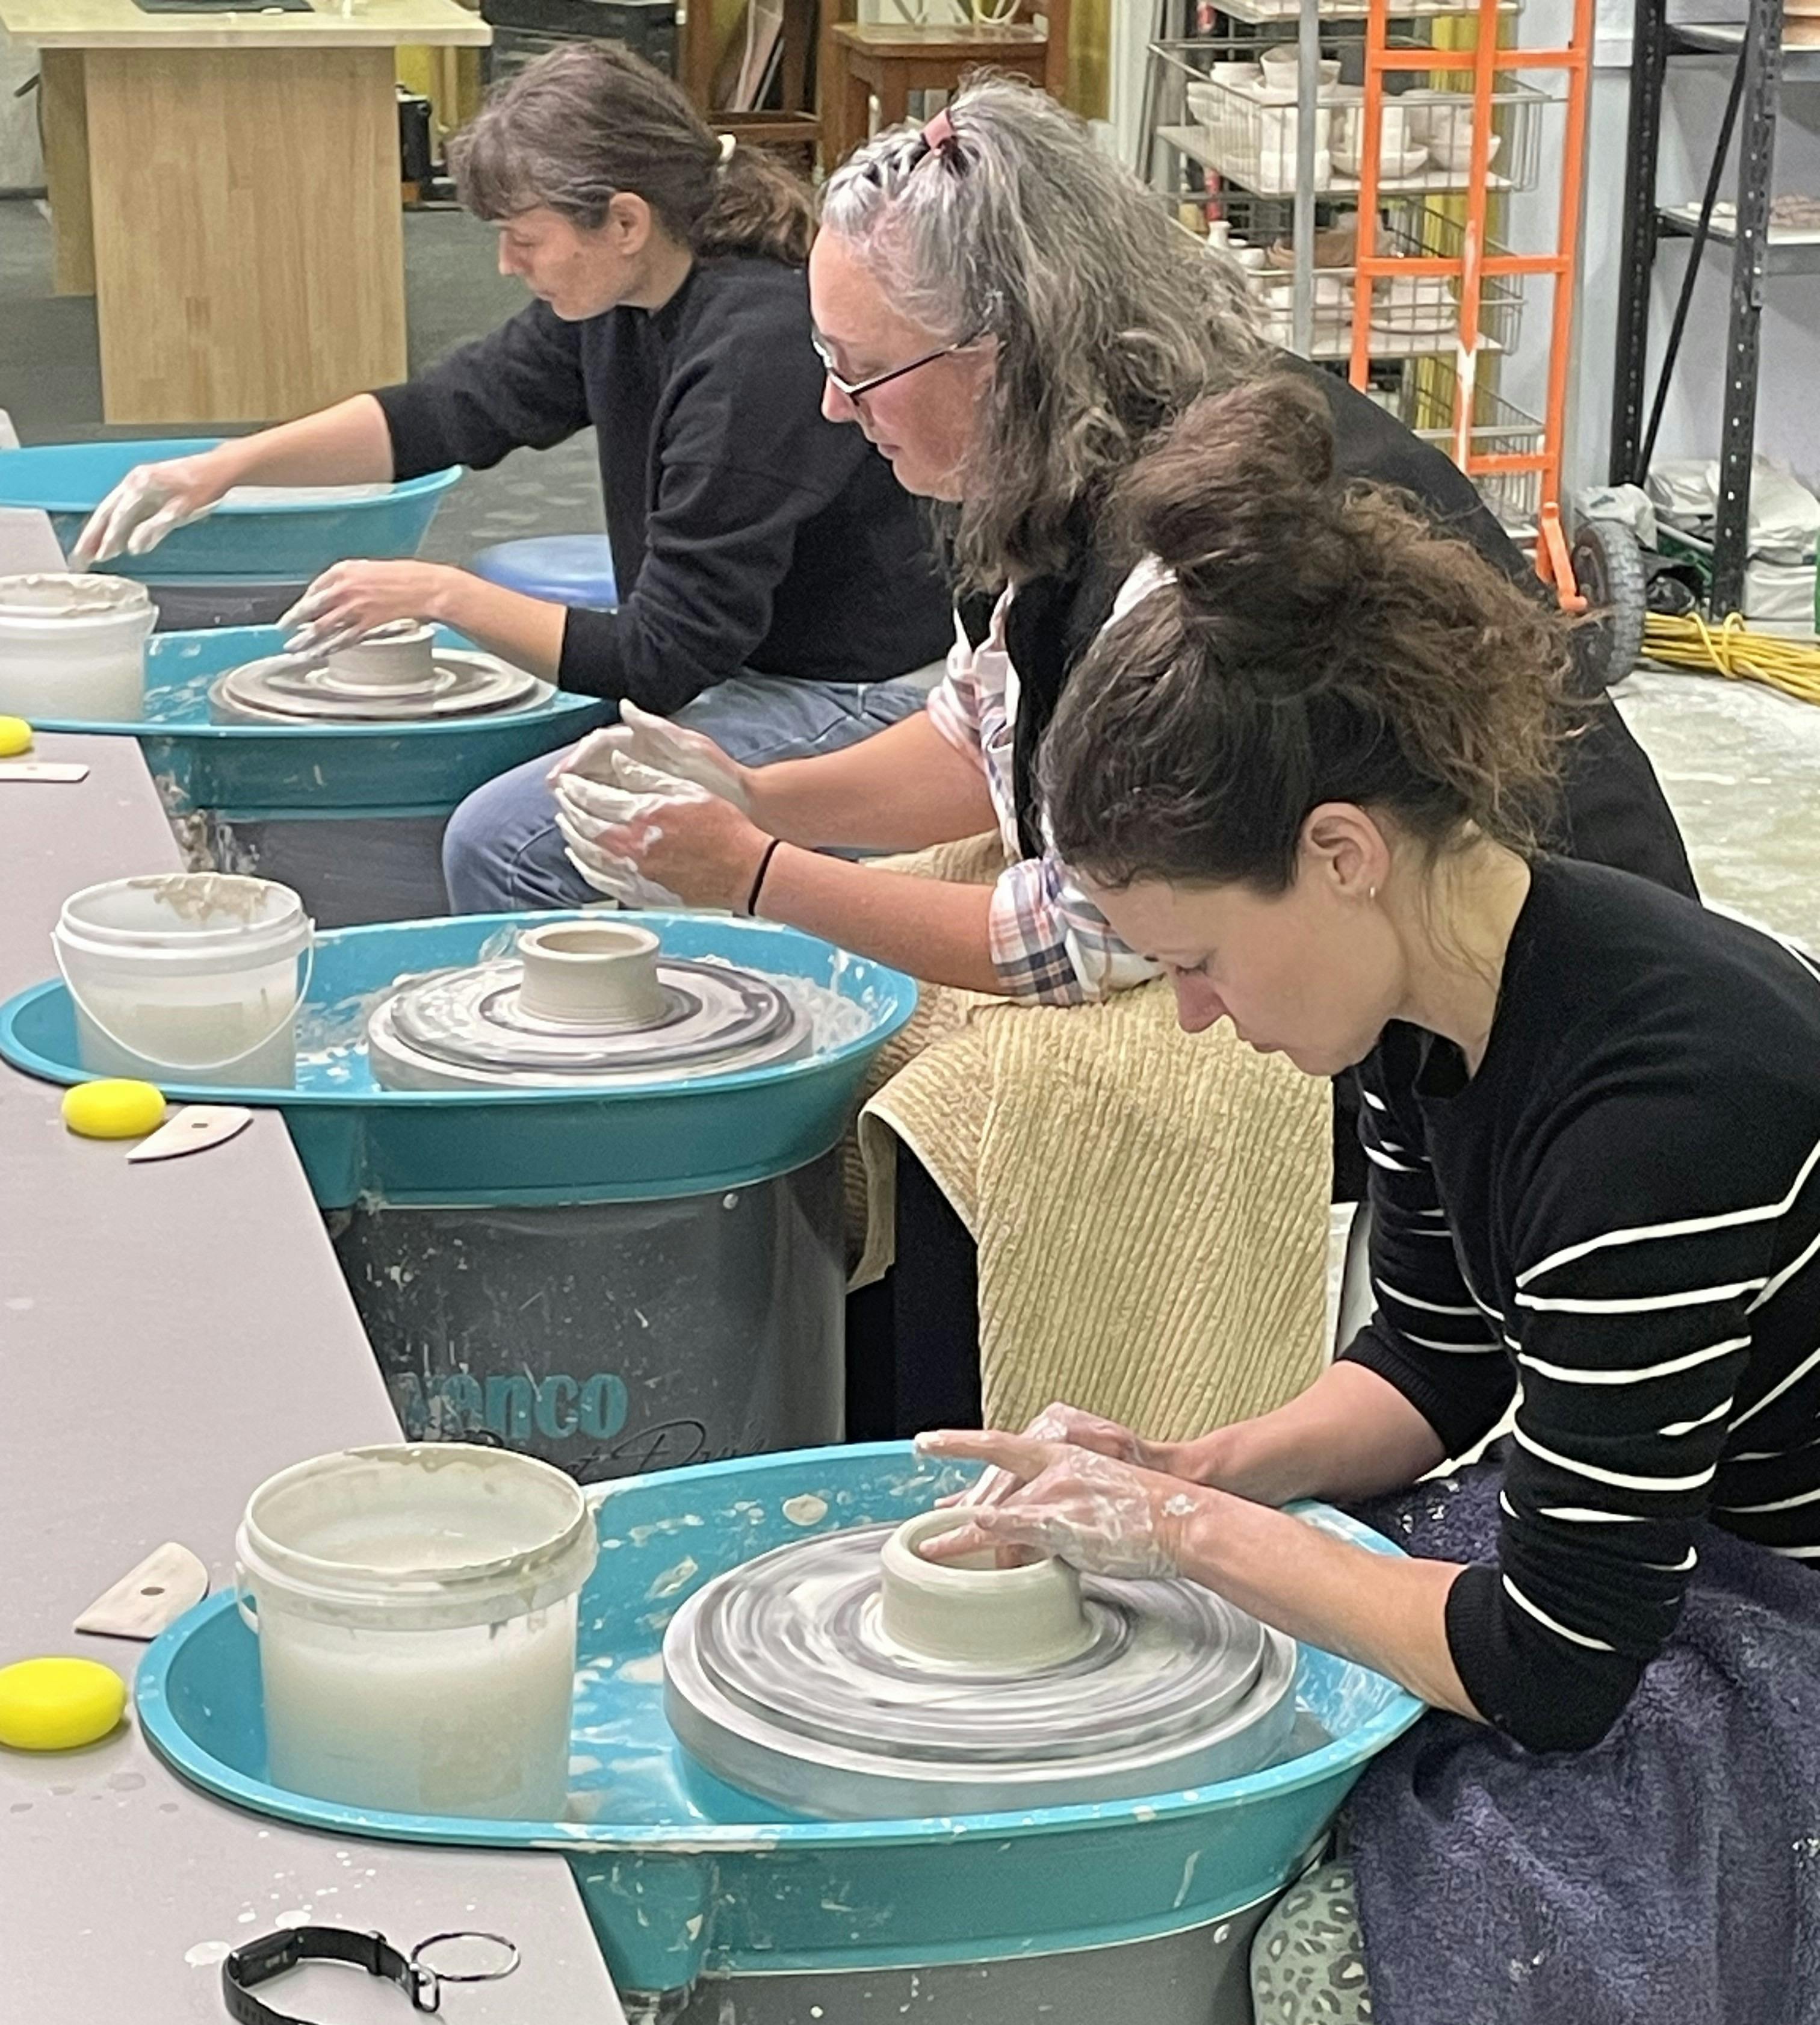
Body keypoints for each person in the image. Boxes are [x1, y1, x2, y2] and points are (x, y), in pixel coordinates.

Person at [551, 73, 1695, 1430]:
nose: (833, 408)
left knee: (979, 1111)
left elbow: (1081, 934)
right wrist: (756, 796)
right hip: (1272, 900)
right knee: (871, 1025)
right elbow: (980, 730)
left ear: (1005, 349)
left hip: (1473, 982)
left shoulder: (1196, 536)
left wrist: (755, 874)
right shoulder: (1055, 455)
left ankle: (951, 1455)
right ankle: (850, 1413)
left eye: (858, 369)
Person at [914, 376, 1820, 2018]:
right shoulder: (1424, 1003)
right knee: (1228, 1691)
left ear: (1340, 852)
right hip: (1660, 1550)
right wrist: (1194, 1464)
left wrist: (1188, 1529)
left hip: (1781, 1604)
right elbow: (1435, 1362)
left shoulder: (1660, 1115)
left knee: (1344, 1937)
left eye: (1196, 956)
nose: (1191, 1010)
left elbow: (1552, 1664)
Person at [72, 42, 952, 912]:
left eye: (523, 238)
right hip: (735, 663)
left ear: (626, 222)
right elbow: (445, 411)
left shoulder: (752, 354)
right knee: (489, 748)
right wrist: (226, 467)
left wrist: (444, 594)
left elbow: (657, 659)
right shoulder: (621, 298)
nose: (505, 265)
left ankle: (586, 1038)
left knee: (504, 842)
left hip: (853, 696)